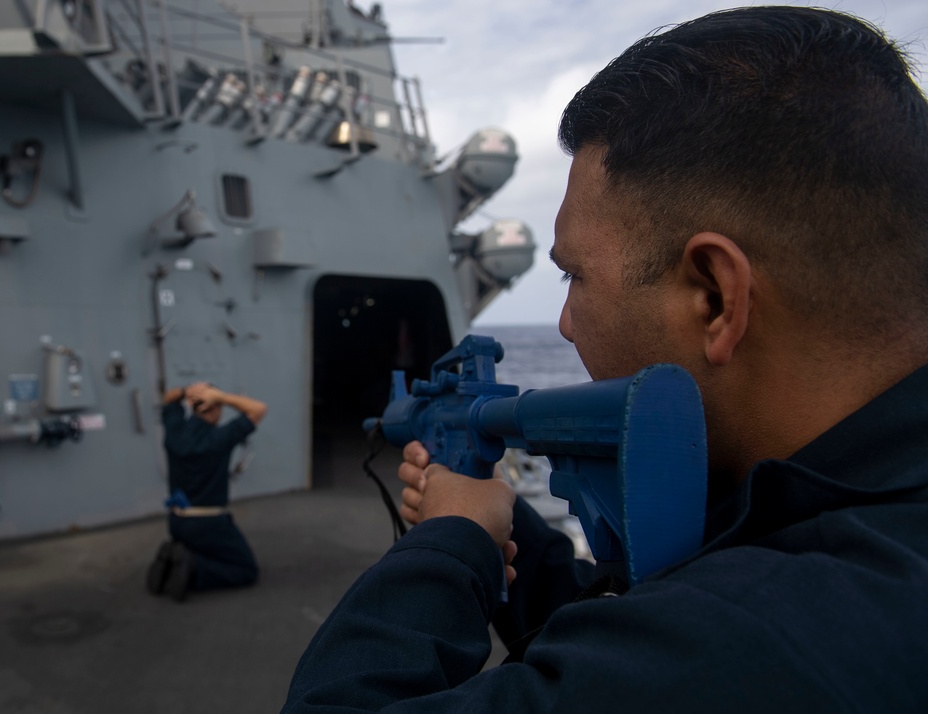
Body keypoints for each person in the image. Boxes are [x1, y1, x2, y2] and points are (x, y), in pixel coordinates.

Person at [283, 6, 928, 711]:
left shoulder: (753, 639)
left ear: (713, 298)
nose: (562, 322)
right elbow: (630, 624)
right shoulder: (851, 541)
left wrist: (448, 543)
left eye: (574, 277)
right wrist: (498, 517)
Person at [146, 382, 267, 601]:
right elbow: (259, 409)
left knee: (205, 547)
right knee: (246, 570)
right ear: (216, 407)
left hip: (176, 522)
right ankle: (193, 567)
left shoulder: (175, 432)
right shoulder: (218, 438)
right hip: (208, 524)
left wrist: (186, 392)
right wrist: (222, 396)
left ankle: (174, 558)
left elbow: (168, 399)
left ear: (192, 406)